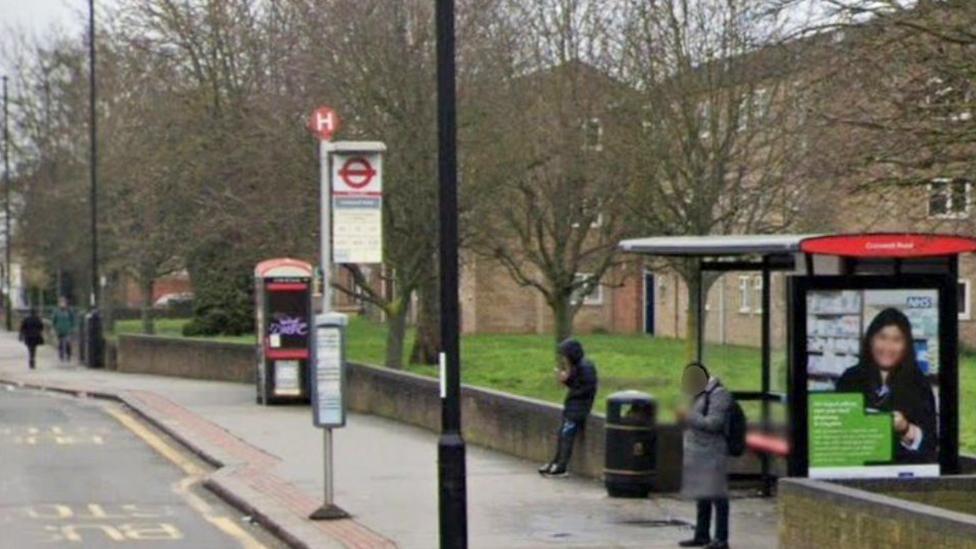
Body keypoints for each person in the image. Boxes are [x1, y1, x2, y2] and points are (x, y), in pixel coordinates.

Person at [835, 307, 938, 464]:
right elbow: (834, 434)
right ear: (871, 339)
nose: (887, 347)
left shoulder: (919, 384)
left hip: (902, 477)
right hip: (857, 473)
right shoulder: (850, 379)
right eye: (882, 337)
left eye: (896, 340)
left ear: (906, 346)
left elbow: (929, 445)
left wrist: (905, 428)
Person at [677, 362, 731, 549]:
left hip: (712, 451)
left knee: (718, 496)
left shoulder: (719, 395)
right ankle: (702, 534)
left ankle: (721, 538)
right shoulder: (696, 394)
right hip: (697, 451)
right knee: (702, 495)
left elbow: (714, 423)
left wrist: (689, 416)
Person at [539, 338, 598, 477]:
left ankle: (561, 466)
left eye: (566, 355)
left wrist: (569, 381)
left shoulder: (585, 367)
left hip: (579, 408)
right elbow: (577, 385)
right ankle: (555, 462)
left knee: (567, 435)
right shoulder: (578, 366)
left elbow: (586, 388)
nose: (564, 358)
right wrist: (567, 380)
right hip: (573, 407)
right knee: (562, 434)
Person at [51, 297, 76, 362]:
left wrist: (73, 328)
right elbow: (54, 321)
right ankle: (61, 355)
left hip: (68, 330)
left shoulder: (69, 311)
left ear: (66, 303)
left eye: (63, 302)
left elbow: (73, 320)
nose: (62, 304)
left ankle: (68, 354)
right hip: (59, 330)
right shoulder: (56, 311)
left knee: (67, 343)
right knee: (60, 343)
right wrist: (53, 329)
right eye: (61, 302)